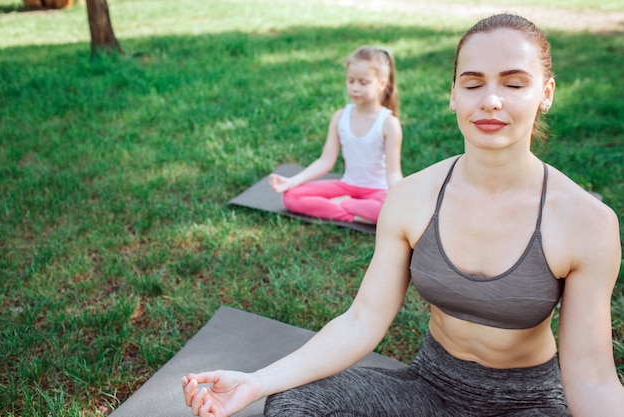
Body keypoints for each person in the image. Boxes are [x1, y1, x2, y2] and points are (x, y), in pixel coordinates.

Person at [182, 14, 624, 416]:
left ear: (545, 94)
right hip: (429, 385)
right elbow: (361, 321)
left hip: (527, 402)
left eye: (513, 83)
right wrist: (256, 382)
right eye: (472, 83)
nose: (490, 100)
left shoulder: (586, 223)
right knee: (296, 401)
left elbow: (592, 378)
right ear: (453, 95)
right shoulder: (412, 197)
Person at [268, 46, 403, 224]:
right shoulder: (340, 117)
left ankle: (343, 206)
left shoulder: (389, 124)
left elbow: (393, 173)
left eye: (363, 82)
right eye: (351, 81)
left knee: (389, 210)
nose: (355, 88)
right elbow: (325, 161)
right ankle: (355, 214)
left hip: (377, 191)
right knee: (291, 197)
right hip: (346, 186)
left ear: (382, 84)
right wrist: (291, 182)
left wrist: (401, 199)